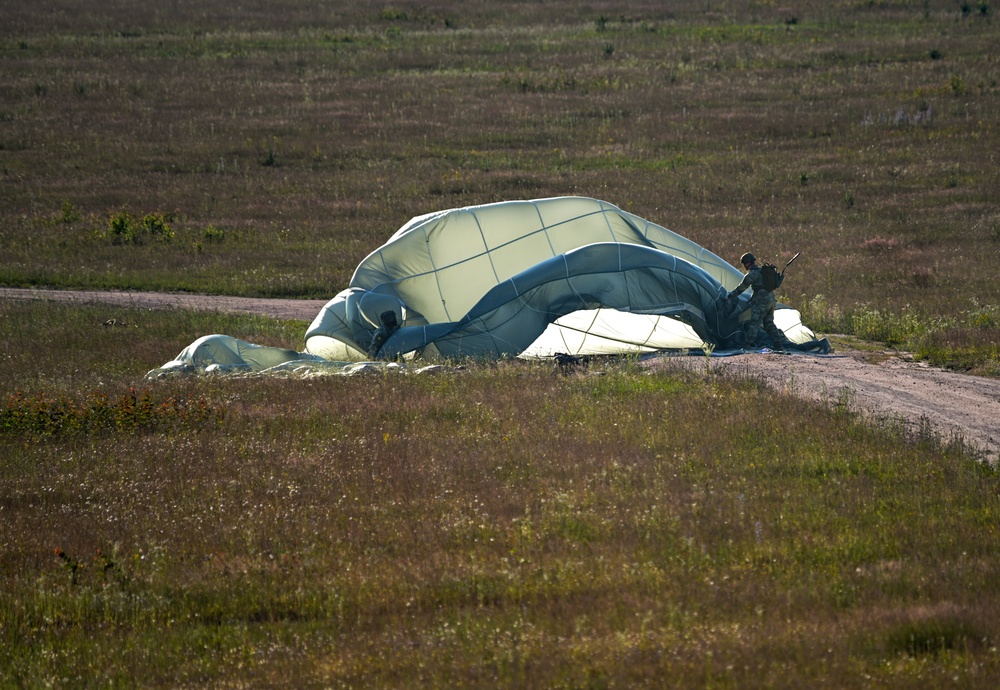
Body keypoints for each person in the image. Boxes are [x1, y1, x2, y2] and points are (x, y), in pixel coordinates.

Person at [726, 252, 790, 352]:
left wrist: (730, 296)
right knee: (769, 323)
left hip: (761, 301)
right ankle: (779, 345)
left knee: (754, 323)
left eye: (744, 263)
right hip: (771, 300)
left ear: (747, 263)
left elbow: (741, 288)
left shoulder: (752, 274)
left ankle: (747, 346)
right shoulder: (763, 271)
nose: (744, 266)